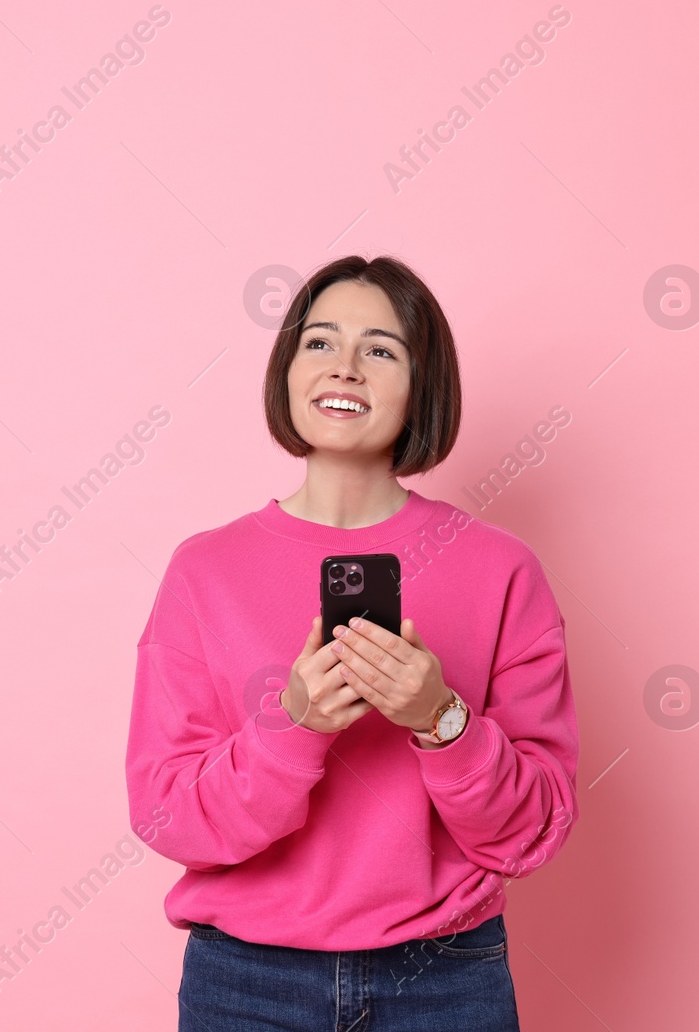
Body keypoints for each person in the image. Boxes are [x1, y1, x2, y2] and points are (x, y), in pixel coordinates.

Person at [124, 255, 579, 1031]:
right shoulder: (205, 571)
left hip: (446, 978)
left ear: (422, 384)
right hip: (247, 979)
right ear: (288, 370)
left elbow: (533, 829)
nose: (345, 366)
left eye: (381, 348)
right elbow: (168, 816)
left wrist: (442, 718)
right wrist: (294, 728)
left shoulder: (502, 569)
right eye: (320, 342)